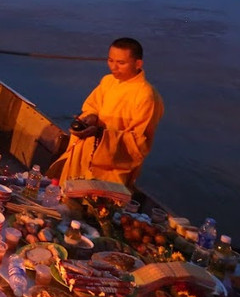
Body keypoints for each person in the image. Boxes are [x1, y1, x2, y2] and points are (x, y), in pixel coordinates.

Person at [50, 38, 164, 187]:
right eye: (110, 60)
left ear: (138, 64)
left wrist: (100, 134)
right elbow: (92, 106)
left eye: (121, 63)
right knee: (67, 195)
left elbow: (139, 142)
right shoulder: (108, 81)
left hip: (112, 165)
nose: (113, 67)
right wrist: (90, 118)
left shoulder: (146, 95)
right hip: (86, 152)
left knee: (95, 205)